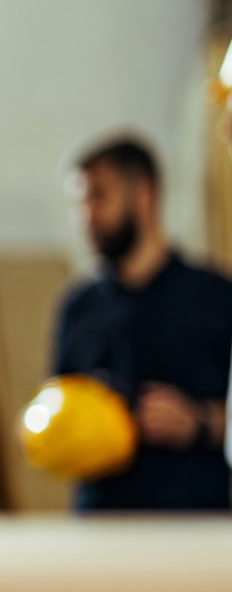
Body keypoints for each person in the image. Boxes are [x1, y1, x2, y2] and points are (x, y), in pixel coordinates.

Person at [55, 136, 232, 511]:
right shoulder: (78, 306)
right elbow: (56, 400)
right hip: (100, 527)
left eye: (99, 196)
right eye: (81, 201)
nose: (87, 215)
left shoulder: (217, 297)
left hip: (194, 530)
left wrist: (199, 423)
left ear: (144, 194)